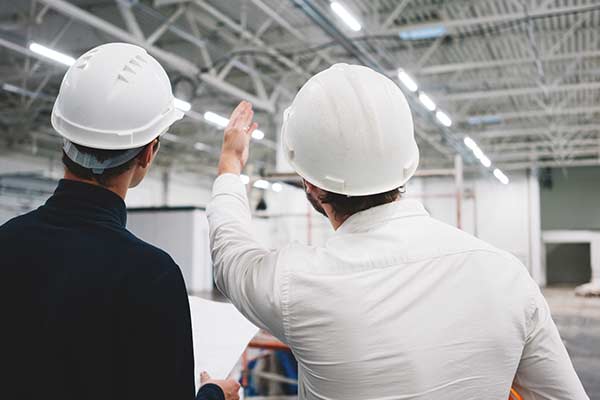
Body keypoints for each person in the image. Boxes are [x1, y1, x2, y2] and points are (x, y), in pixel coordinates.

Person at [206, 64, 589, 399]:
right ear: (407, 164)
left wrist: (229, 166)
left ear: (311, 184)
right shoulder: (506, 274)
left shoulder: (296, 282)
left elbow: (230, 256)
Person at [0, 43, 239, 400]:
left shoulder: (6, 242)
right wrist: (213, 395)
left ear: (65, 140)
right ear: (148, 152)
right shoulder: (151, 276)